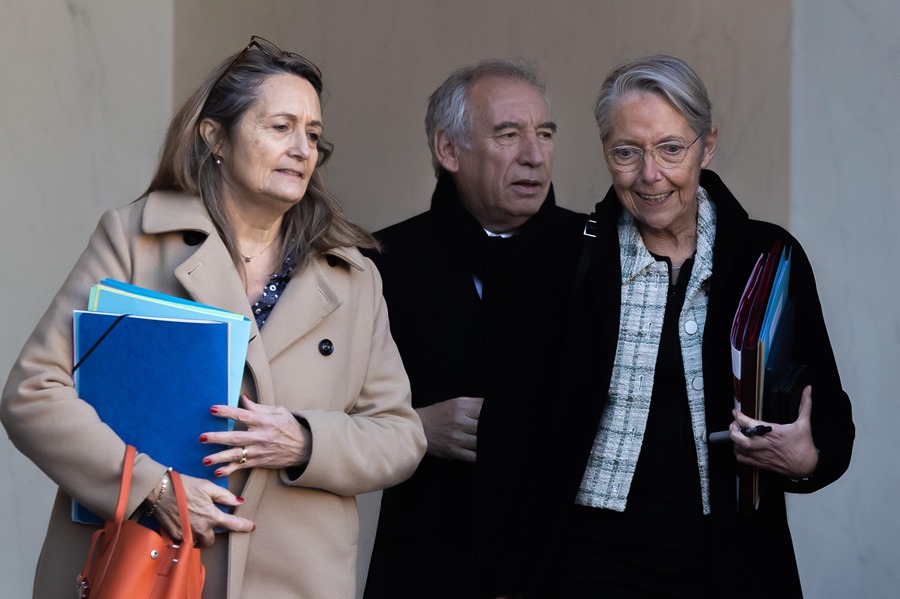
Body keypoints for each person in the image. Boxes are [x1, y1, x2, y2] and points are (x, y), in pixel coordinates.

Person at [1, 35, 425, 599]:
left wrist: (304, 440)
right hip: (141, 569)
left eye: (313, 135)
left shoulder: (352, 277)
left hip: (293, 579)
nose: (302, 148)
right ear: (215, 136)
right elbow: (33, 391)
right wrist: (154, 490)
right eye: (280, 127)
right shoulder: (135, 240)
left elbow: (400, 435)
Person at [476, 55, 855, 598]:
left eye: (671, 148)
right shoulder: (559, 261)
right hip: (590, 558)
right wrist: (503, 576)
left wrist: (805, 460)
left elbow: (832, 423)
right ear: (606, 152)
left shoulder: (767, 257)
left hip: (730, 557)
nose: (650, 175)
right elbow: (510, 433)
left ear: (709, 144)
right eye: (626, 152)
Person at [363, 60, 586, 598]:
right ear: (448, 151)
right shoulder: (378, 262)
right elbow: (325, 412)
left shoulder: (596, 255)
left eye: (545, 135)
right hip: (427, 561)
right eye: (508, 135)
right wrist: (414, 427)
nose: (534, 155)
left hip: (566, 562)